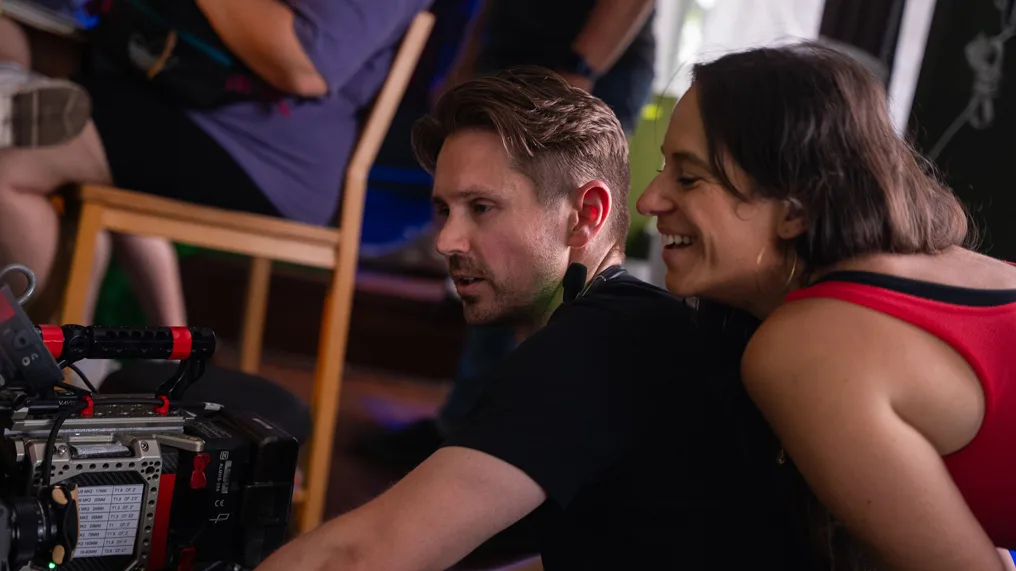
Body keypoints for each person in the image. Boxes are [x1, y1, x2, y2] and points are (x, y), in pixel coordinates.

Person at [254, 67, 816, 571]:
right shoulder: (640, 325)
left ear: (586, 216)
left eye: (481, 207)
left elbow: (360, 556)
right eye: (444, 210)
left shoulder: (597, 347)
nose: (446, 241)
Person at [636, 42, 1016, 570]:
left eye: (689, 177)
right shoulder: (941, 271)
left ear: (795, 209)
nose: (649, 200)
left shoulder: (809, 348)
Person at [0, 0, 429, 327]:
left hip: (257, 149)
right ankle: (79, 362)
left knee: (10, 171)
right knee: (8, 35)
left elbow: (304, 63)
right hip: (176, 79)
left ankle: (56, 375)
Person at [362, 0, 657, 471]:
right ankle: (470, 430)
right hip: (510, 56)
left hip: (586, 68)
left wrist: (580, 70)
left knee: (558, 266)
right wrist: (467, 61)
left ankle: (527, 450)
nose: (444, 242)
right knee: (495, 262)